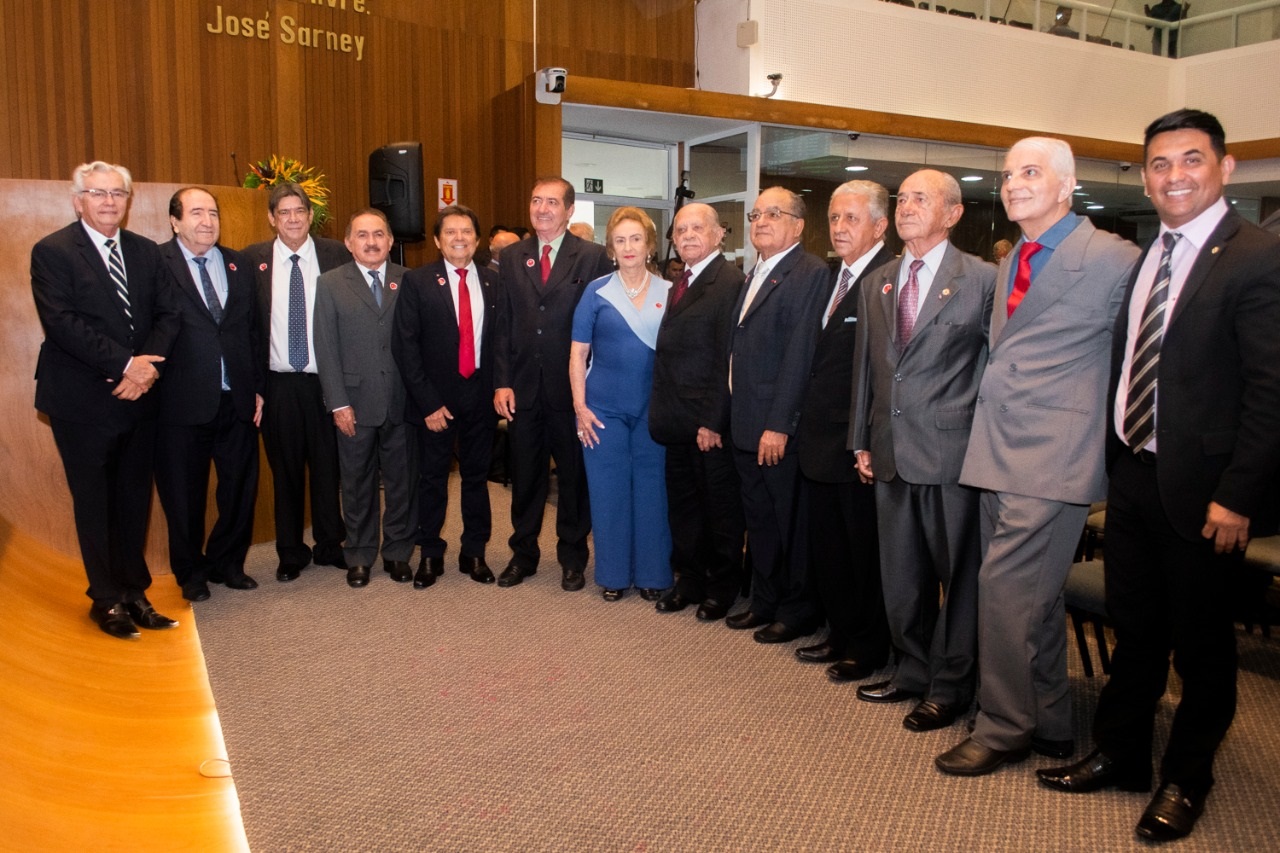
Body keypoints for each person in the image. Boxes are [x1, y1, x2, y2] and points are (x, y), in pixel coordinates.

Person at [1038, 109, 1280, 843]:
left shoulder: (1257, 256)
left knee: (1202, 647)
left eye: (1191, 160)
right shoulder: (1151, 252)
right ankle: (1120, 753)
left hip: (1209, 494)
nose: (1174, 175)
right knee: (1135, 628)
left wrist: (1237, 495)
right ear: (1144, 175)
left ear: (1225, 168)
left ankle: (1187, 777)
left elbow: (1272, 391)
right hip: (1136, 478)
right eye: (1160, 164)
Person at [935, 139, 1139, 776]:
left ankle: (1003, 727)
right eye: (1007, 175)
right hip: (996, 450)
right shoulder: (1017, 257)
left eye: (1031, 173)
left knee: (1002, 591)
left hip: (1056, 458)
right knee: (1039, 599)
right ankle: (1050, 717)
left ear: (1066, 185)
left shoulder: (1114, 258)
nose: (1013, 183)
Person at [849, 169, 995, 731]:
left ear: (953, 213)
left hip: (953, 454)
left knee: (957, 576)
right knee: (901, 574)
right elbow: (868, 367)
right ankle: (912, 671)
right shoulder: (880, 279)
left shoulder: (982, 279)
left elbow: (995, 371)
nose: (907, 207)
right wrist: (861, 438)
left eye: (920, 199)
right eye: (902, 198)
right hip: (888, 451)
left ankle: (952, 685)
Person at [30, 161, 180, 639]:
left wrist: (147, 369)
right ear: (78, 201)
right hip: (82, 401)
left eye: (118, 193)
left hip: (140, 396)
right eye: (98, 193)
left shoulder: (146, 253)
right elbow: (63, 324)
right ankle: (106, 599)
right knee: (94, 500)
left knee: (134, 498)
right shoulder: (52, 252)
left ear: (128, 200)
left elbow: (168, 313)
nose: (109, 201)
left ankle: (135, 591)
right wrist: (125, 364)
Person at [793, 181, 895, 683]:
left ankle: (869, 645)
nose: (838, 228)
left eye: (851, 219)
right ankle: (839, 631)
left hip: (857, 443)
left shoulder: (888, 278)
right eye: (834, 218)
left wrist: (869, 439)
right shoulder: (831, 276)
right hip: (817, 437)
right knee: (828, 547)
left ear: (880, 226)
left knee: (863, 551)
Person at [492, 177, 614, 591]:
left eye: (551, 202)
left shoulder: (594, 257)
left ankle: (573, 558)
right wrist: (502, 381)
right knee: (526, 476)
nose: (541, 208)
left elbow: (603, 326)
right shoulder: (512, 257)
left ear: (568, 210)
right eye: (535, 200)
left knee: (574, 478)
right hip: (523, 388)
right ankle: (523, 555)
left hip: (573, 391)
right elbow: (503, 324)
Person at [724, 187, 829, 643]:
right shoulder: (754, 272)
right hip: (743, 421)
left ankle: (796, 609)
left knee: (790, 523)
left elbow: (799, 354)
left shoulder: (809, 273)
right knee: (760, 520)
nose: (760, 221)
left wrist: (778, 424)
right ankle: (764, 601)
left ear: (799, 225)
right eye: (755, 214)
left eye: (773, 213)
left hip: (774, 427)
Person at [155, 187, 265, 603]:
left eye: (213, 213)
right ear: (175, 221)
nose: (207, 221)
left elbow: (252, 331)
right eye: (196, 212)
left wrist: (257, 389)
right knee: (184, 494)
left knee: (239, 487)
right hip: (181, 403)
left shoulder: (238, 263)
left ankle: (227, 563)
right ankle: (191, 572)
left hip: (236, 398)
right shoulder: (156, 263)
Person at [245, 183, 351, 582]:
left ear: (310, 216)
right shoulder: (250, 260)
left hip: (327, 380)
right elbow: (247, 329)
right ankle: (290, 551)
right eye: (284, 212)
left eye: (300, 211)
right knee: (285, 469)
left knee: (329, 467)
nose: (293, 218)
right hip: (278, 384)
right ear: (272, 218)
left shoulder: (336, 255)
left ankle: (329, 545)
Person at [649, 203, 746, 621]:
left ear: (719, 234)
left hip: (708, 423)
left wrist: (713, 420)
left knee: (719, 511)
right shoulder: (679, 281)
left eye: (696, 228)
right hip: (675, 419)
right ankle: (688, 581)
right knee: (684, 509)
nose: (687, 236)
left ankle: (721, 588)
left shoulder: (729, 282)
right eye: (680, 229)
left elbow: (728, 357)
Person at [570, 207, 673, 600]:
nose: (628, 247)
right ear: (610, 248)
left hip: (654, 410)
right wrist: (580, 407)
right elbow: (577, 354)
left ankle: (653, 575)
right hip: (602, 411)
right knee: (608, 491)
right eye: (620, 240)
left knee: (652, 493)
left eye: (636, 239)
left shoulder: (670, 291)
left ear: (648, 245)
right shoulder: (595, 291)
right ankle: (612, 576)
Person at [393, 205, 499, 587]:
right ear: (437, 241)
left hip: (481, 399)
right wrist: (427, 403)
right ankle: (430, 554)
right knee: (432, 480)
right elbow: (405, 346)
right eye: (450, 232)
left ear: (477, 239)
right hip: (434, 403)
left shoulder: (492, 282)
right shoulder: (418, 282)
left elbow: (500, 342)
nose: (459, 238)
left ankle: (474, 553)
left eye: (467, 231)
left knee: (476, 479)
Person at [313, 210, 415, 589]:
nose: (371, 242)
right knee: (356, 482)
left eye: (378, 235)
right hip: (353, 403)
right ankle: (358, 554)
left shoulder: (409, 281)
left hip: (402, 400)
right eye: (362, 235)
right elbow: (325, 347)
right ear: (348, 242)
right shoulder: (330, 283)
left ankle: (398, 552)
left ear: (390, 241)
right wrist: (337, 403)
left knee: (402, 481)